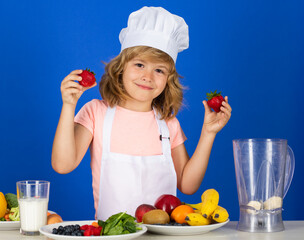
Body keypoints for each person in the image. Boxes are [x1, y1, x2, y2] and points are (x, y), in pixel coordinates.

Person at [52, 6, 232, 220]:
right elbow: (62, 165)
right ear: (121, 68)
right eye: (139, 64)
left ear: (168, 80)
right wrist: (68, 105)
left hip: (163, 235)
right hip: (113, 235)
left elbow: (188, 185)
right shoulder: (96, 113)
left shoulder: (168, 123)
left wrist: (208, 133)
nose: (148, 76)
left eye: (159, 70)